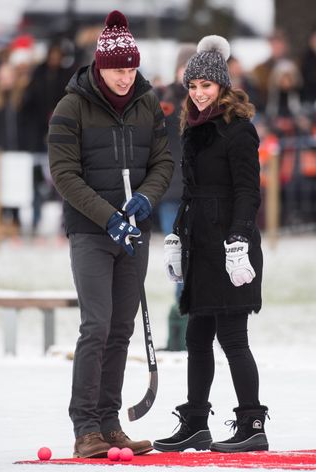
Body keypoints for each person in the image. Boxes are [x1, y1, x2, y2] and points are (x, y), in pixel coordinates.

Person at [48, 10, 173, 458]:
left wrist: (144, 199)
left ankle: (108, 421)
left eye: (132, 68)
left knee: (121, 329)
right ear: (101, 67)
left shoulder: (146, 103)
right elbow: (64, 174)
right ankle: (85, 428)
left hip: (134, 232)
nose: (127, 77)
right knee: (96, 325)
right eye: (119, 69)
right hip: (91, 232)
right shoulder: (71, 106)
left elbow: (163, 162)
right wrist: (109, 218)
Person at [153, 35, 268, 454]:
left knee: (233, 336)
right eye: (193, 86)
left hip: (229, 244)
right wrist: (176, 237)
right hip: (199, 242)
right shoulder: (193, 129)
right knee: (197, 337)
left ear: (222, 85)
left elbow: (248, 191)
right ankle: (196, 422)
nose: (199, 93)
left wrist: (239, 238)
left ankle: (252, 423)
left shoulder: (239, 131)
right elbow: (189, 193)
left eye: (207, 85)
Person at [155, 42, 196, 351]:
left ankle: (197, 324)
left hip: (200, 191)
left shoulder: (207, 99)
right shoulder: (166, 99)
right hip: (172, 192)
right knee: (178, 259)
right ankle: (181, 324)